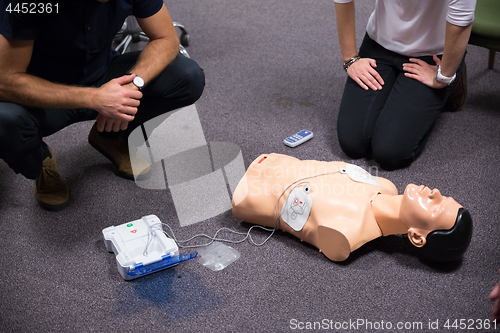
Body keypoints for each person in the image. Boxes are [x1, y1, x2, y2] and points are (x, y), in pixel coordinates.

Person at [0, 0, 205, 211]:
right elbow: (6, 81)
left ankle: (112, 138)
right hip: (44, 94)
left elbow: (166, 38)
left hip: (103, 74)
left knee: (187, 77)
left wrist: (132, 87)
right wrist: (94, 98)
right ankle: (40, 161)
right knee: (3, 118)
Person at [231, 153, 473, 263]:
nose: (436, 193)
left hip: (250, 194)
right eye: (444, 196)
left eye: (437, 206)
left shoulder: (346, 234)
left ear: (417, 237)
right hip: (275, 159)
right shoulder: (385, 185)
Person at [334, 0, 476, 170]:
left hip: (432, 56)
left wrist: (444, 75)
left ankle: (455, 74)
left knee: (389, 153)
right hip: (379, 44)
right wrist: (350, 58)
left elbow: (462, 17)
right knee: (353, 143)